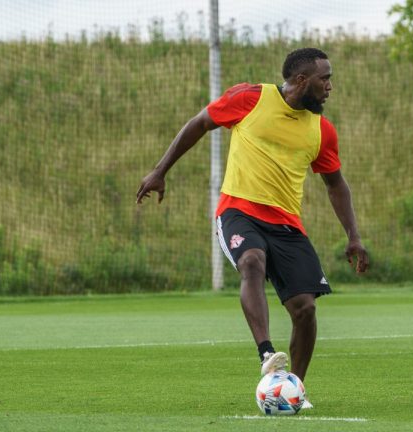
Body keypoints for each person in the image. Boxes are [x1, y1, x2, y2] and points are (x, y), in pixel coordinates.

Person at [136, 47, 369, 409]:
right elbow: (199, 123)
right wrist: (160, 171)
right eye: (325, 79)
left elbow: (335, 184)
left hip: (287, 224)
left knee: (305, 309)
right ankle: (267, 354)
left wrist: (353, 236)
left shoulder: (321, 130)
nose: (330, 86)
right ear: (302, 80)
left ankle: (292, 389)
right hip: (238, 210)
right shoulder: (250, 98)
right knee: (252, 262)